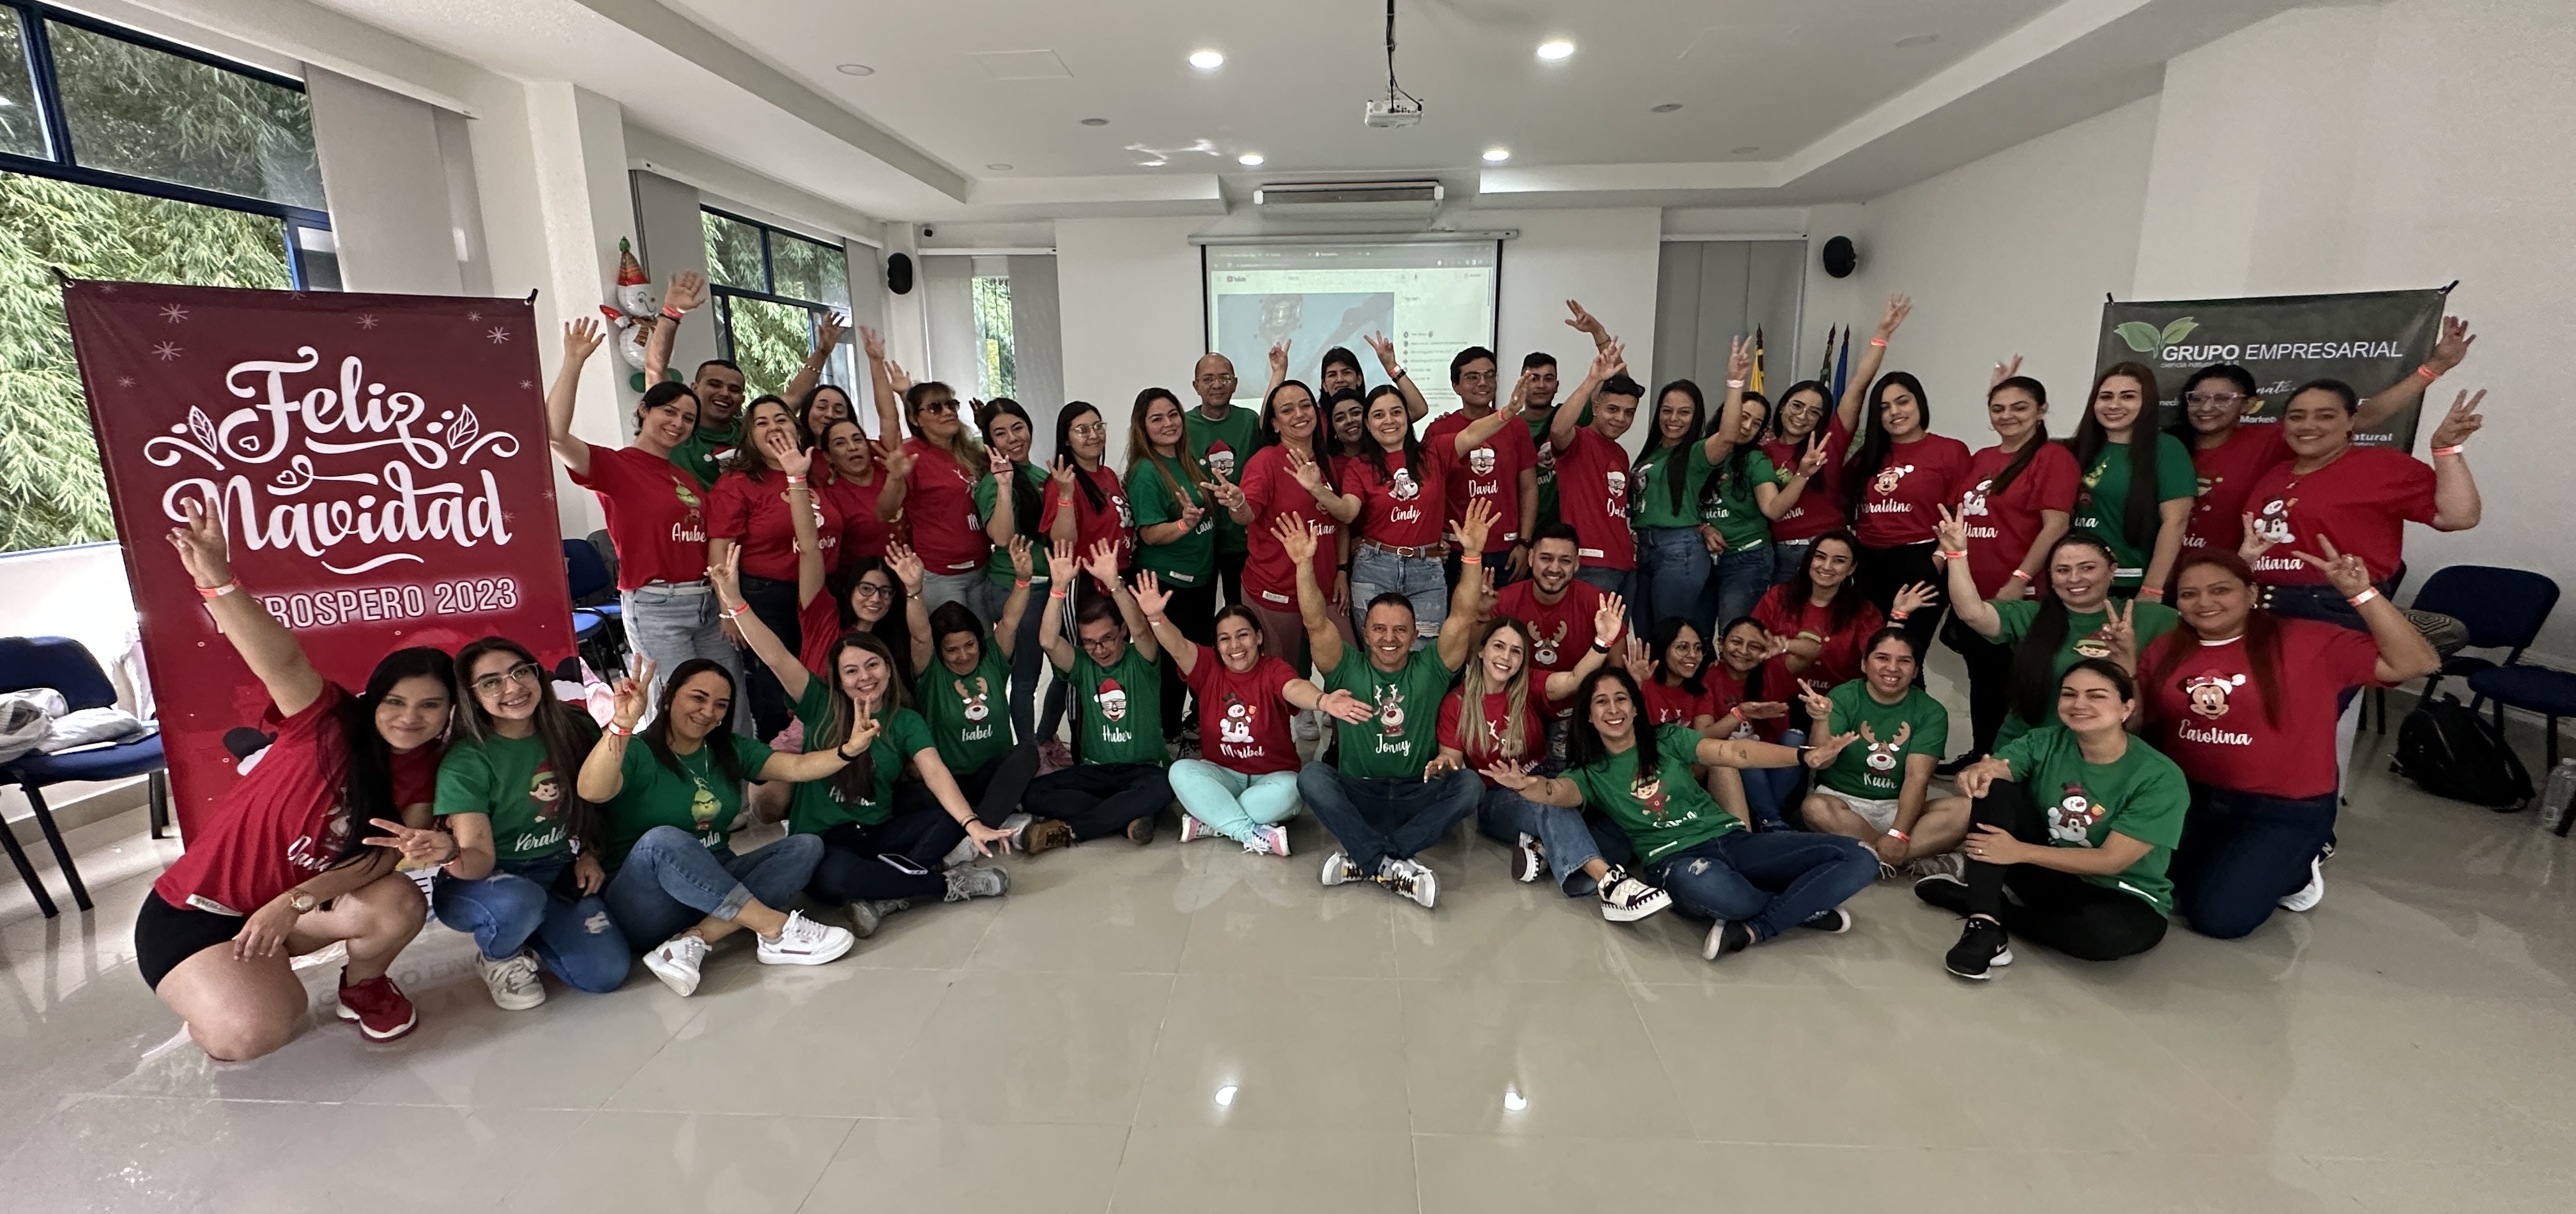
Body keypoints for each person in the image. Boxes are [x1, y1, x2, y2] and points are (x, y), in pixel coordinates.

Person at [136, 499, 445, 1057]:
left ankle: (363, 986)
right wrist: (218, 582)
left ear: (450, 713)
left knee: (397, 901)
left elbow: (382, 859)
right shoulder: (325, 722)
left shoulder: (428, 768)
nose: (410, 718)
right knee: (252, 1035)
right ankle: (221, 985)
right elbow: (279, 660)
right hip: (193, 913)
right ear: (373, 700)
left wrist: (293, 903)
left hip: (291, 913)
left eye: (430, 705)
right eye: (395, 701)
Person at [2145, 549, 2437, 937]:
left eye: (2220, 590)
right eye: (2189, 594)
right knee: (2153, 889)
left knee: (2219, 918)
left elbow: (2418, 663)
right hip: (2190, 799)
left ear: (2252, 593)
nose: (2204, 603)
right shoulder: (2164, 649)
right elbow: (2140, 722)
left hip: (2281, 809)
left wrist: (2361, 593)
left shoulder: (2309, 639)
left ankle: (2299, 871)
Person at [719, 557, 1018, 935]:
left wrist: (972, 824)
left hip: (877, 833)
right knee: (838, 879)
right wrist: (735, 602)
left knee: (950, 818)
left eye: (872, 665)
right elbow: (775, 656)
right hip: (826, 841)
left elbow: (935, 771)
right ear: (838, 679)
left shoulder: (905, 720)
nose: (864, 677)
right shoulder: (819, 703)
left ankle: (885, 891)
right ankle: (942, 884)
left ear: (888, 668)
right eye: (851, 671)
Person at [1492, 668, 1874, 960]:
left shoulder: (1669, 739)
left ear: (1635, 707)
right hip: (1674, 860)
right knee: (1724, 894)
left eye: (1621, 699)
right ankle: (1801, 907)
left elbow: (1732, 753)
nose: (1613, 709)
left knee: (1860, 856)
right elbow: (1554, 792)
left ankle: (1757, 928)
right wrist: (1526, 786)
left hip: (1732, 840)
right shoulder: (1589, 772)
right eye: (1601, 702)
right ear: (1589, 717)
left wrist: (1805, 756)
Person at [578, 658, 861, 997]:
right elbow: (591, 791)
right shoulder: (637, 750)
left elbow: (797, 767)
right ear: (669, 696)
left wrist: (849, 750)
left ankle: (693, 940)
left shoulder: (729, 750)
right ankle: (774, 928)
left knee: (805, 846)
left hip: (713, 883)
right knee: (661, 841)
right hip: (647, 902)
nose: (708, 712)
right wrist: (621, 725)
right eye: (698, 698)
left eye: (721, 705)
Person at [1291, 500, 1501, 909]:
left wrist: (1473, 554)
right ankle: (1392, 863)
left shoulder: (1432, 667)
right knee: (1312, 776)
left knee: (1470, 787)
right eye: (1379, 629)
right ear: (1365, 632)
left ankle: (1367, 858)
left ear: (1415, 633)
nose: (1390, 638)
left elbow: (1461, 618)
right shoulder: (1345, 666)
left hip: (1415, 794)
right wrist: (1303, 564)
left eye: (1401, 630)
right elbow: (1315, 621)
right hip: (1359, 793)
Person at [1925, 661, 2189, 979]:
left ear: (2126, 708)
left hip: (2122, 893)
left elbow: (2112, 860)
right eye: (2069, 694)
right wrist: (1977, 774)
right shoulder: (2043, 741)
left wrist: (2017, 852)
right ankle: (1984, 924)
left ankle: (1987, 906)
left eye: (2096, 696)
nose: (2080, 704)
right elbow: (1997, 768)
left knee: (2105, 938)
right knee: (1992, 788)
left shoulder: (2160, 776)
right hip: (2045, 874)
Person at [545, 319, 737, 716]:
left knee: (727, 703)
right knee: (674, 712)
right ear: (644, 410)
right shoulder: (617, 467)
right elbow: (555, 435)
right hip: (657, 607)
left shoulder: (684, 477)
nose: (678, 423)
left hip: (706, 602)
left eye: (688, 418)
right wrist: (574, 361)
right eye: (670, 411)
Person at [429, 638, 627, 1010]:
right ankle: (499, 956)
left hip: (556, 872)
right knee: (520, 901)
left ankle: (530, 929)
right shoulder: (466, 760)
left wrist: (589, 853)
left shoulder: (574, 726)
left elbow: (596, 801)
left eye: (521, 672)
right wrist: (449, 852)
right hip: (481, 881)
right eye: (491, 682)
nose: (513, 687)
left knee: (606, 974)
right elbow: (477, 860)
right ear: (473, 697)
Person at [2173, 318, 2473, 555]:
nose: (2207, 408)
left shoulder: (2269, 439)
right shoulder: (2166, 445)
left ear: (2248, 405)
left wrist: (2434, 368)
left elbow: (2365, 416)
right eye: (2197, 399)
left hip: (2222, 577)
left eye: (2223, 399)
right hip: (2163, 570)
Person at [1443, 617, 1672, 920]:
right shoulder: (1456, 703)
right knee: (1551, 803)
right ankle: (1610, 884)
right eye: (1499, 646)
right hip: (1498, 797)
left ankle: (1543, 851)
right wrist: (1442, 766)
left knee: (1617, 822)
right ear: (1482, 650)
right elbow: (1450, 761)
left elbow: (1574, 680)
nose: (1506, 657)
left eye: (1516, 651)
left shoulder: (1528, 685)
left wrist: (1603, 642)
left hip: (1546, 775)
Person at [1137, 579, 1370, 853]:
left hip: (1273, 778)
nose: (1235, 645)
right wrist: (1156, 617)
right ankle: (1248, 832)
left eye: (1243, 635)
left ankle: (1214, 820)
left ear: (1258, 637)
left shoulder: (1273, 668)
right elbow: (1178, 646)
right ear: (1216, 645)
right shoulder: (1208, 667)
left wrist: (1323, 701)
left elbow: (1294, 688)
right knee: (1181, 771)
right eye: (1225, 639)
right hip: (1222, 775)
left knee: (1293, 788)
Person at [2237, 380, 2486, 627]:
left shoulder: (2383, 465)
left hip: (2334, 606)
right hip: (2258, 603)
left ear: (2351, 421)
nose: (2308, 425)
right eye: (2296, 417)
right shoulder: (2276, 473)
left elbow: (2458, 517)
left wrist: (2445, 450)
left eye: (2325, 416)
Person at [1941, 520, 2181, 754]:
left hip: (2107, 755)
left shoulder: (2149, 617)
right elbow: (1972, 613)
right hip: (2025, 750)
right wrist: (1956, 555)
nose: (2074, 578)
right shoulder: (2031, 615)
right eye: (2063, 570)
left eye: (2087, 568)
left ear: (2112, 570)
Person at [1942, 369, 2078, 764]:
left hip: (2021, 596)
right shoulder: (1982, 459)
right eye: (1998, 408)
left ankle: (2012, 764)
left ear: (2041, 411)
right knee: (1983, 681)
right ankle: (1983, 755)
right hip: (1973, 592)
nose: (2008, 416)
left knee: (2019, 685)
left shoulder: (2052, 457)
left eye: (2020, 407)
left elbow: (2056, 525)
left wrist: (2020, 579)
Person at [1023, 540, 1176, 849]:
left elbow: (1143, 630)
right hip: (1095, 772)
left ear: (1122, 631)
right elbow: (1049, 641)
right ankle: (1125, 817)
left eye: (1107, 638)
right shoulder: (1082, 663)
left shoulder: (1142, 658)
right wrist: (1058, 590)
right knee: (1032, 793)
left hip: (1145, 770)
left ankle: (1073, 830)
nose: (1100, 649)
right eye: (1090, 642)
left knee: (1164, 787)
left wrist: (1114, 585)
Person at [1346, 380, 1524, 643]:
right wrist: (1317, 489)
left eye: (1396, 412)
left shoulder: (1433, 451)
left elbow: (1471, 435)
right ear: (1368, 424)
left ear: (1407, 417)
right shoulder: (1359, 465)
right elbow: (1347, 511)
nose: (1389, 420)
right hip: (1375, 567)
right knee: (1379, 651)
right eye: (1379, 415)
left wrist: (1507, 412)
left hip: (1426, 569)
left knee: (1425, 652)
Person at [709, 398, 838, 739]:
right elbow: (720, 549)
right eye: (761, 422)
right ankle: (778, 762)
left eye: (781, 419)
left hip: (819, 596)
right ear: (750, 436)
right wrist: (728, 610)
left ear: (797, 428)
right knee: (777, 690)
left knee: (822, 680)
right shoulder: (737, 483)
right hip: (767, 598)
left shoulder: (814, 473)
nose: (774, 427)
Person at [1759, 293, 1909, 584]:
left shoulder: (1830, 442)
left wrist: (1882, 335)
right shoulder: (1761, 452)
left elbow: (1858, 386)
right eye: (1797, 406)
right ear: (1783, 406)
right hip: (1783, 555)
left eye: (1814, 412)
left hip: (1830, 549)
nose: (1802, 416)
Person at [1795, 629, 1970, 873]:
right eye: (1882, 658)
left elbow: (1917, 778)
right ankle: (1907, 859)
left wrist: (1899, 833)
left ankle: (1875, 857)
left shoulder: (1931, 711)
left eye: (1904, 661)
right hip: (1843, 803)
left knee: (1967, 810)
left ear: (1916, 670)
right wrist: (1821, 720)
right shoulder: (1843, 697)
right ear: (1864, 664)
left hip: (1899, 807)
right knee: (1815, 808)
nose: (1892, 668)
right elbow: (1821, 763)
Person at [647, 275, 840, 487]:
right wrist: (671, 315)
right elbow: (655, 371)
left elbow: (794, 396)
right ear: (694, 388)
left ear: (742, 399)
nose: (724, 393)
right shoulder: (679, 429)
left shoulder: (749, 430)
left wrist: (822, 353)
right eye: (714, 384)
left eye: (734, 389)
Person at [1230, 380, 1358, 666]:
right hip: (1278, 593)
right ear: (1275, 424)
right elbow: (1246, 514)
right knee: (1284, 675)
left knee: (1347, 667)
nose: (1299, 414)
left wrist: (1341, 570)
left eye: (1305, 406)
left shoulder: (1327, 461)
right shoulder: (1265, 462)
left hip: (1325, 591)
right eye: (1287, 410)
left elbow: (1340, 522)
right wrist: (1237, 503)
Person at [864, 327, 989, 613]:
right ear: (916, 419)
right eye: (935, 408)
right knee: (952, 640)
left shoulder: (969, 450)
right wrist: (895, 477)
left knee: (984, 640)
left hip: (982, 569)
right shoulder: (912, 455)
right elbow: (884, 512)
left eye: (951, 404)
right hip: (941, 576)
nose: (948, 411)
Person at [1126, 388, 1225, 751]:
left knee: (1197, 657)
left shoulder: (1189, 460)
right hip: (1168, 584)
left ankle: (1191, 727)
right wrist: (1184, 525)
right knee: (1172, 664)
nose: (1168, 424)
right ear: (1143, 427)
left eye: (1173, 415)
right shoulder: (1145, 472)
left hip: (1200, 579)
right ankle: (1167, 737)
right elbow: (1149, 534)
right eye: (1157, 419)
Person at [1848, 367, 1970, 657]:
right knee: (1869, 653)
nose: (1894, 412)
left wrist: (1936, 562)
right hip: (1868, 564)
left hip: (1920, 560)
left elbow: (1962, 513)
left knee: (1905, 655)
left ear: (1920, 403)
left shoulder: (1950, 451)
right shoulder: (1866, 457)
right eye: (1884, 407)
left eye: (1902, 401)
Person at [972, 399, 1070, 749]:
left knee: (1066, 670)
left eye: (1018, 428)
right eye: (1001, 433)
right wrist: (1003, 484)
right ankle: (1029, 752)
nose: (1013, 438)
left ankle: (1045, 740)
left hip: (1053, 586)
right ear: (990, 441)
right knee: (1026, 678)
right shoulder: (993, 483)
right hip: (1017, 588)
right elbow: (1000, 537)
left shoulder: (1043, 477)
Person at [1632, 354, 1751, 639]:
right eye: (1667, 411)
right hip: (1645, 550)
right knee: (1646, 638)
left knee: (1671, 637)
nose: (1673, 419)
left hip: (1679, 552)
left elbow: (1728, 436)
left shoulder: (1697, 453)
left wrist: (1735, 382)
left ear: (1695, 416)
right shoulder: (1653, 451)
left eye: (1684, 412)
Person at [1699, 388, 1827, 631]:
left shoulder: (1756, 460)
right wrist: (1703, 527)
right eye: (1743, 416)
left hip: (1747, 558)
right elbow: (1681, 503)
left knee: (1735, 634)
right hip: (1700, 557)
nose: (1747, 427)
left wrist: (1802, 474)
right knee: (1697, 633)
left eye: (1756, 423)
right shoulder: (1700, 452)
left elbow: (1773, 509)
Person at [2069, 362, 2196, 599]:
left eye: (2128, 397)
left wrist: (2152, 588)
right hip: (2075, 583)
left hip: (2132, 585)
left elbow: (2176, 522)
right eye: (2106, 397)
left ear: (2146, 403)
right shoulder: (2075, 449)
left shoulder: (2167, 449)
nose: (2114, 405)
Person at [1495, 524, 1624, 753]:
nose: (1555, 568)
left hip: (1577, 712)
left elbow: (1617, 673)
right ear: (1531, 558)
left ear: (1577, 564)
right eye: (1546, 558)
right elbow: (1476, 662)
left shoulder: (1599, 604)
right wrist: (1480, 616)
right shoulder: (1503, 601)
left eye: (1565, 561)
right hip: (1517, 707)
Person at [1547, 307, 1643, 600]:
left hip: (1625, 563)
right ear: (1596, 407)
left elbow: (1622, 385)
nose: (1620, 418)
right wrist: (1592, 380)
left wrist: (1599, 333)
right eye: (1612, 409)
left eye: (1629, 413)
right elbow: (1558, 430)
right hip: (1590, 565)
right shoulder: (1579, 440)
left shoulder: (1620, 453)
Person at [1423, 344, 1541, 583]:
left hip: (1506, 549)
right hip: (1454, 550)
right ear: (1455, 386)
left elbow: (1528, 487)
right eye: (1472, 377)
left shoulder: (1517, 427)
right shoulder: (1439, 430)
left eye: (1490, 375)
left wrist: (1524, 543)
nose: (1483, 383)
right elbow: (1429, 493)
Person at [1751, 530, 1901, 696]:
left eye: (1839, 561)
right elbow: (1750, 638)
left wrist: (1900, 614)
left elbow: (1878, 658)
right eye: (1820, 557)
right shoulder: (1778, 596)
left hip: (1838, 703)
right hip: (1777, 699)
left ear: (1851, 568)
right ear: (1810, 560)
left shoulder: (1865, 612)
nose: (1827, 566)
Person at [1699, 617, 1805, 829]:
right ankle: (1772, 820)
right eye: (1736, 642)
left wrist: (1783, 646)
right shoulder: (1708, 677)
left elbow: (1812, 652)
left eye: (1754, 646)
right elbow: (1701, 736)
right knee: (1745, 750)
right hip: (1732, 769)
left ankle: (1768, 816)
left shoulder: (1772, 671)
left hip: (1771, 763)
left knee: (1796, 738)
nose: (1743, 651)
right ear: (1721, 644)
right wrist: (1740, 714)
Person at [1186, 352, 1262, 604]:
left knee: (1240, 612)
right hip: (1199, 539)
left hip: (1241, 539)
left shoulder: (1249, 421)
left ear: (1235, 383)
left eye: (1224, 378)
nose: (1217, 385)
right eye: (1208, 379)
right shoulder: (1183, 425)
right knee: (1200, 615)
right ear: (1196, 386)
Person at [1043, 399, 1138, 594]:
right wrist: (1066, 495)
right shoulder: (1061, 483)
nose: (1094, 435)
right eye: (1083, 430)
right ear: (1066, 439)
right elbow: (1063, 545)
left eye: (1098, 427)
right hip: (1088, 584)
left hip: (1118, 577)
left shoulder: (1108, 474)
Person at [811, 414, 898, 573]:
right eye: (840, 443)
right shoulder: (830, 499)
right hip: (868, 582)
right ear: (828, 456)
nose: (852, 447)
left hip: (920, 575)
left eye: (858, 440)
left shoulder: (891, 470)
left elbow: (889, 417)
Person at [1518, 351, 1567, 532]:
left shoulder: (1569, 418)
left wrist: (1599, 337)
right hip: (1519, 529)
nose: (1541, 385)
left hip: (1562, 530)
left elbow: (1620, 384)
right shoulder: (1508, 427)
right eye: (1534, 379)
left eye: (1548, 379)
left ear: (1557, 385)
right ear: (1522, 384)